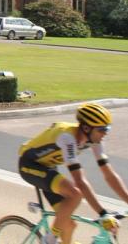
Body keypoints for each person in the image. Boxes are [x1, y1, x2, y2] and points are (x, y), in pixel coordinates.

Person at [18, 103, 128, 244]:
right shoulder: (67, 138)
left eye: (107, 128)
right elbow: (80, 181)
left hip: (49, 168)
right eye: (102, 129)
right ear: (87, 128)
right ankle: (49, 240)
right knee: (75, 193)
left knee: (68, 225)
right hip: (30, 165)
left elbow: (109, 174)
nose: (105, 133)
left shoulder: (94, 139)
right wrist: (102, 214)